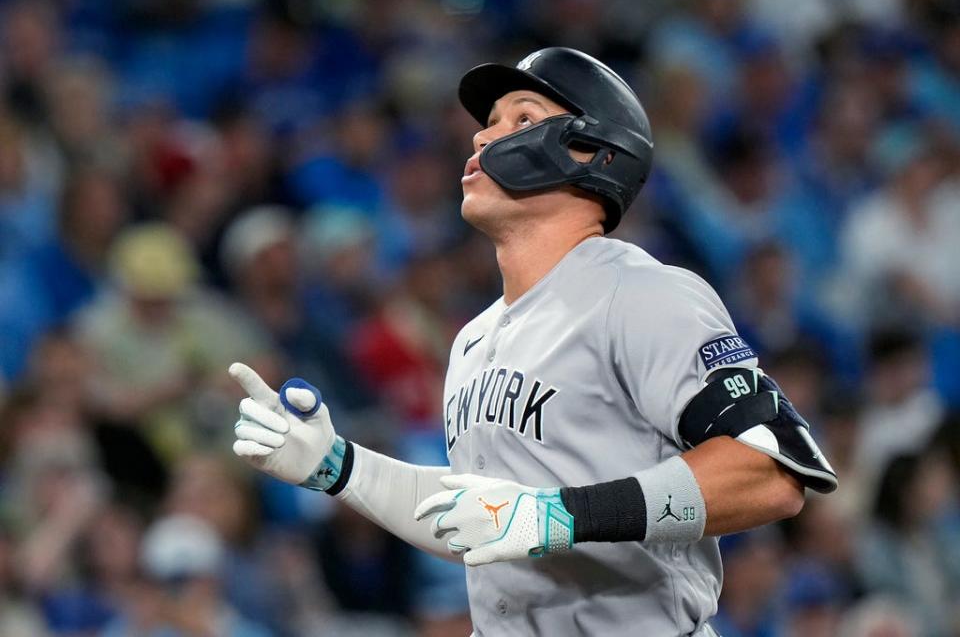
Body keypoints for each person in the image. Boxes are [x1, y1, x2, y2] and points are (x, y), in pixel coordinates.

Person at [229, 47, 837, 636]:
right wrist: (338, 467)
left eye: (522, 119)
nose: (482, 138)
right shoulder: (472, 339)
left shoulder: (643, 292)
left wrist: (556, 516)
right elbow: (484, 520)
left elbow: (769, 471)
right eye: (487, 123)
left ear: (593, 153)